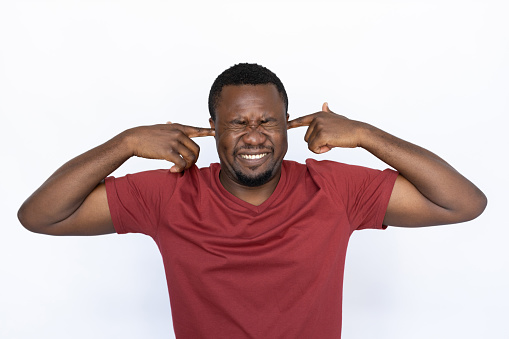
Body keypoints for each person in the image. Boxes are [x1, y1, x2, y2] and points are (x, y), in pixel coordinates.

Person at [18, 63, 487, 338]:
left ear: (288, 125)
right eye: (239, 123)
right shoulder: (168, 193)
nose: (254, 136)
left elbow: (463, 203)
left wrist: (365, 134)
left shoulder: (336, 189)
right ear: (212, 128)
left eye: (268, 121)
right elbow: (39, 216)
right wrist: (123, 144)